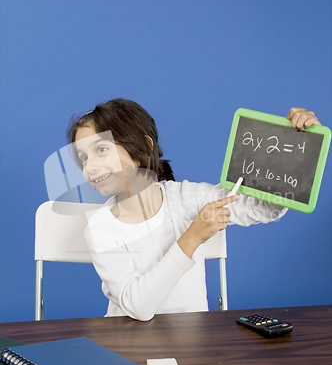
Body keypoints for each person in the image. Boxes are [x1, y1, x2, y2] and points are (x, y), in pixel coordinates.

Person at [66, 101, 321, 321]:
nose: (90, 167)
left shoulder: (189, 198)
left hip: (193, 340)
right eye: (83, 157)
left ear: (142, 148)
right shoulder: (101, 227)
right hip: (127, 343)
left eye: (100, 150)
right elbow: (138, 307)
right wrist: (193, 236)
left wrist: (299, 148)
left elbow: (264, 208)